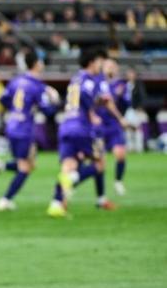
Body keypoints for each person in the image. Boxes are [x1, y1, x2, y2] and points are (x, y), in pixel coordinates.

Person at [47, 48, 124, 218]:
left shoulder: (75, 78)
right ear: (92, 62)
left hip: (66, 125)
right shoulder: (90, 79)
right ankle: (76, 181)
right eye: (99, 62)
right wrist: (91, 112)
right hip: (82, 127)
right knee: (99, 163)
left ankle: (56, 204)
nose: (101, 65)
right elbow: (86, 94)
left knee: (68, 165)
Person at [0, 51, 60, 211]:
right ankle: (5, 200)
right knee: (25, 167)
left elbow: (3, 99)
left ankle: (2, 166)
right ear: (36, 64)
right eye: (41, 61)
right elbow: (48, 111)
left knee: (30, 163)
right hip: (24, 129)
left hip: (12, 124)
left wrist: (16, 110)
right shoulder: (37, 86)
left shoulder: (16, 81)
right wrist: (56, 102)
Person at [98, 58, 129, 195]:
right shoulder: (98, 82)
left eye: (112, 66)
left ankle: (118, 181)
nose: (110, 68)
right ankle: (100, 193)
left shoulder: (121, 84)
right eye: (107, 65)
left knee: (120, 154)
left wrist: (121, 96)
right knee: (99, 159)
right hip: (99, 124)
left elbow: (126, 103)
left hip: (113, 124)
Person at [124, 67, 147, 153]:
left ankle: (139, 147)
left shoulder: (139, 85)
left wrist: (140, 107)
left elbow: (143, 97)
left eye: (131, 73)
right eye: (128, 73)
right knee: (127, 128)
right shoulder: (125, 85)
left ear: (135, 74)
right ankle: (130, 147)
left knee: (137, 128)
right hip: (127, 110)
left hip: (136, 109)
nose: (130, 75)